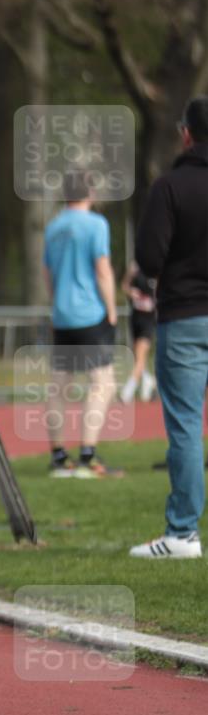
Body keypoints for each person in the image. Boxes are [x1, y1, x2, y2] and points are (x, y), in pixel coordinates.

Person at [130, 95, 208, 559]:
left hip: (184, 317)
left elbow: (149, 258)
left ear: (186, 134)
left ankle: (182, 534)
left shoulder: (171, 187)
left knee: (185, 429)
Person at [43, 171, 120, 479]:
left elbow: (47, 273)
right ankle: (88, 455)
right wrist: (112, 308)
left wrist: (56, 305)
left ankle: (59, 457)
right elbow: (103, 269)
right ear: (89, 193)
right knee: (102, 383)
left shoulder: (53, 226)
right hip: (90, 314)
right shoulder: (96, 224)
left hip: (62, 315)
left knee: (59, 386)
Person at [119, 261, 157, 403]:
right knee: (138, 357)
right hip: (135, 318)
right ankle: (149, 381)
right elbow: (125, 286)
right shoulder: (135, 267)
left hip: (148, 320)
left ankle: (127, 392)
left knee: (140, 357)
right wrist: (131, 292)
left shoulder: (157, 268)